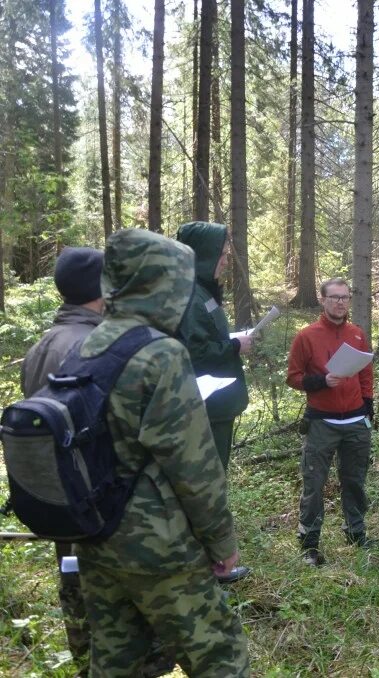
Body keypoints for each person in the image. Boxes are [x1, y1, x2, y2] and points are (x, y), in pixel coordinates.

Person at [76, 228, 249, 676]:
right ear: (161, 284)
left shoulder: (89, 344)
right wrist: (222, 543)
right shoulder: (161, 354)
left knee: (116, 662)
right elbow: (194, 465)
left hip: (97, 535)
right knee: (221, 656)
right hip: (158, 543)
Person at [20, 247, 104, 665]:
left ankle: (84, 662)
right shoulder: (94, 344)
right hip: (95, 499)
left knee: (73, 587)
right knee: (106, 609)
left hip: (56, 496)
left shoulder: (42, 345)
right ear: (103, 289)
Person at [176, 222, 253, 584]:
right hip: (205, 410)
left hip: (218, 408)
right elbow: (196, 353)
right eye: (221, 252)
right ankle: (206, 568)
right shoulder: (189, 296)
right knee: (206, 488)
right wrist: (235, 346)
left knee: (214, 483)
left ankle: (208, 563)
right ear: (202, 255)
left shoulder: (203, 292)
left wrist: (231, 340)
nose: (226, 258)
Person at [286, 278, 375, 566]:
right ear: (323, 300)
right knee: (314, 482)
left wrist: (367, 408)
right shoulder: (306, 336)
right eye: (334, 297)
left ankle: (356, 532)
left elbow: (365, 375)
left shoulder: (357, 334)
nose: (340, 302)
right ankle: (309, 543)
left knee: (355, 480)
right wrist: (321, 381)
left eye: (345, 297)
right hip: (322, 422)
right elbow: (293, 377)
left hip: (355, 421)